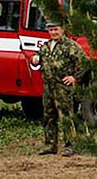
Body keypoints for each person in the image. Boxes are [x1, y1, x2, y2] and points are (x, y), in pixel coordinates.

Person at [31, 19, 88, 155]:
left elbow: (83, 62)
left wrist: (75, 77)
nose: (53, 32)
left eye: (56, 29)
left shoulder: (70, 46)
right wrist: (35, 58)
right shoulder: (46, 46)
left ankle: (70, 145)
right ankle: (50, 145)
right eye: (51, 30)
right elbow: (37, 57)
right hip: (49, 86)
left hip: (63, 87)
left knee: (66, 116)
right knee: (48, 116)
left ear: (62, 30)